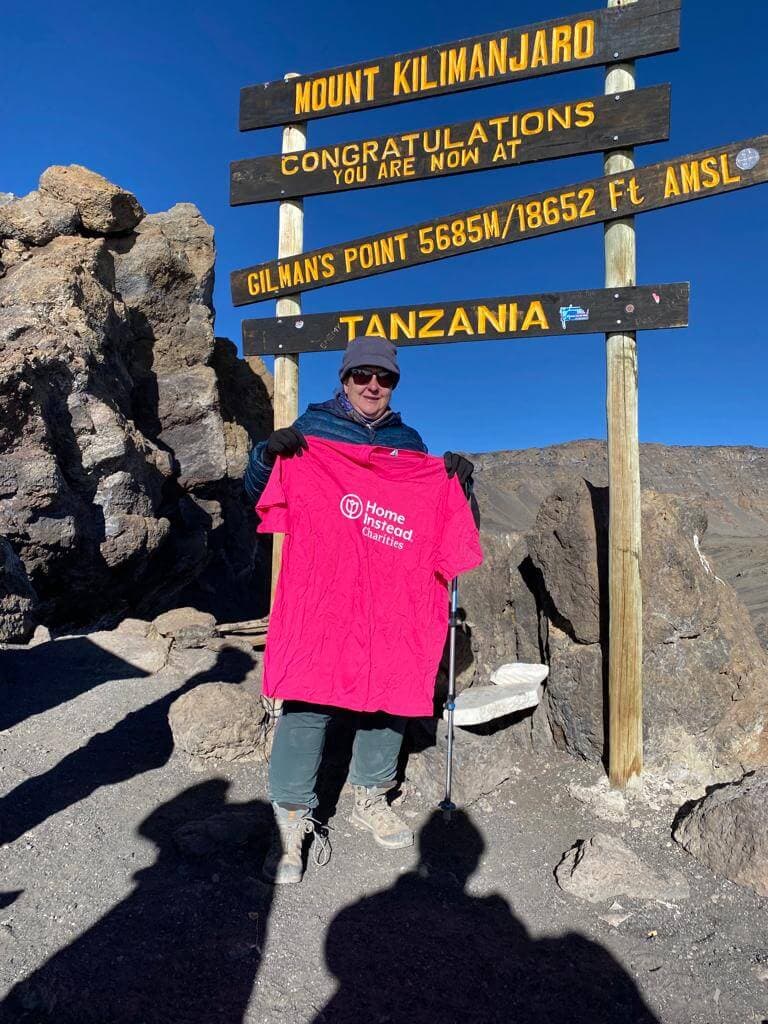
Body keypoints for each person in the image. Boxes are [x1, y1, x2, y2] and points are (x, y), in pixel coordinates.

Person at [244, 336, 476, 884]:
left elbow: (442, 523)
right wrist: (266, 454)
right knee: (308, 698)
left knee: (389, 693)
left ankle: (371, 795)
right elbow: (259, 491)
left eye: (385, 377)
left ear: (394, 384)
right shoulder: (312, 430)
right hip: (324, 594)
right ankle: (292, 818)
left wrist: (458, 484)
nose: (373, 385)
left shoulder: (409, 442)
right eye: (362, 375)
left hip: (389, 599)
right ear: (344, 379)